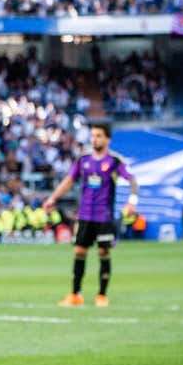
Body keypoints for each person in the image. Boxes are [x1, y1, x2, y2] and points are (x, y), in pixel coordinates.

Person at [43, 123, 138, 308]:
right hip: (85, 215)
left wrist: (132, 201)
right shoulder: (83, 159)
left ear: (107, 139)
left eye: (99, 136)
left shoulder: (114, 161)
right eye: (93, 135)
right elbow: (69, 180)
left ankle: (102, 295)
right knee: (79, 251)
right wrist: (53, 198)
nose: (95, 139)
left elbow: (132, 180)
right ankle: (75, 295)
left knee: (103, 252)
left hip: (104, 216)